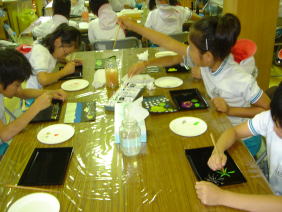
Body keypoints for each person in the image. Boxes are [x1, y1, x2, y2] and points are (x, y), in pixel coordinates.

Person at [118, 14, 270, 156]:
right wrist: (132, 26)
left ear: (207, 56)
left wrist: (231, 109)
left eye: (191, 47)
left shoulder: (239, 78)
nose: (188, 50)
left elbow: (267, 109)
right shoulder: (208, 61)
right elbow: (167, 42)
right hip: (220, 127)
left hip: (243, 140)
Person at [195, 82, 282, 211]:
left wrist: (221, 197)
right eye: (276, 122)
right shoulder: (270, 118)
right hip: (270, 191)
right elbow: (234, 132)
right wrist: (218, 150)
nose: (275, 129)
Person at [0, 49, 67, 155]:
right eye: (17, 85)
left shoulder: (4, 81)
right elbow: (4, 134)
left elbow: (21, 93)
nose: (19, 88)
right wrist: (36, 107)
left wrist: (50, 92)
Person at [27, 24, 81, 105]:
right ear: (57, 42)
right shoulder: (40, 52)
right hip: (34, 99)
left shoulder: (51, 48)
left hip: (45, 91)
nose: (66, 56)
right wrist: (65, 71)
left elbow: (54, 58)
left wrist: (67, 62)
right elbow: (43, 80)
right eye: (66, 53)